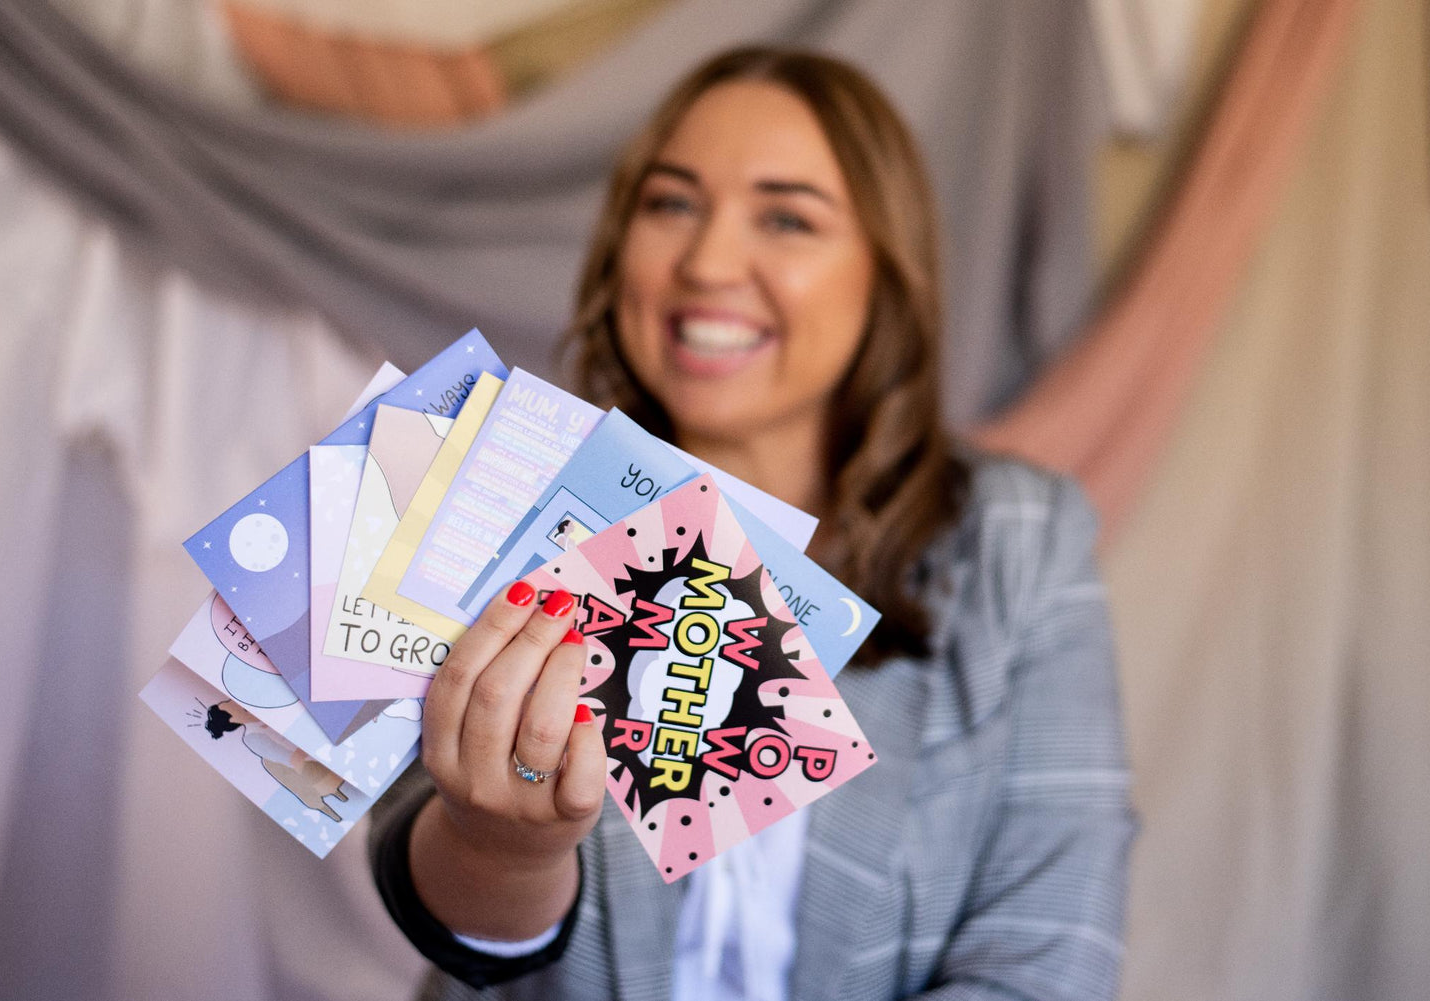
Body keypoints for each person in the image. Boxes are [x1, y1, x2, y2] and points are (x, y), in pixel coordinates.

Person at [371, 46, 1135, 1001]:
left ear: (884, 270)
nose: (708, 262)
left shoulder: (1022, 540)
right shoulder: (501, 496)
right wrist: (505, 851)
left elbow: (1046, 952)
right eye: (671, 203)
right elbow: (441, 909)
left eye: (786, 217)